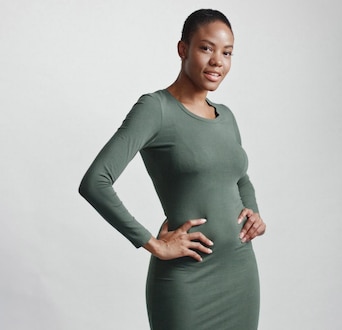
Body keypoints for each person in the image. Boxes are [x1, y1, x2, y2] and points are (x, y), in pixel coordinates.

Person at [79, 9, 266, 330]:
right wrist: (153, 243)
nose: (218, 61)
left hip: (239, 273)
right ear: (183, 49)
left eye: (227, 52)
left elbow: (239, 176)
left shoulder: (227, 116)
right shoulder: (155, 109)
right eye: (206, 48)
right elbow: (95, 182)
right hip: (185, 279)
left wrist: (253, 213)